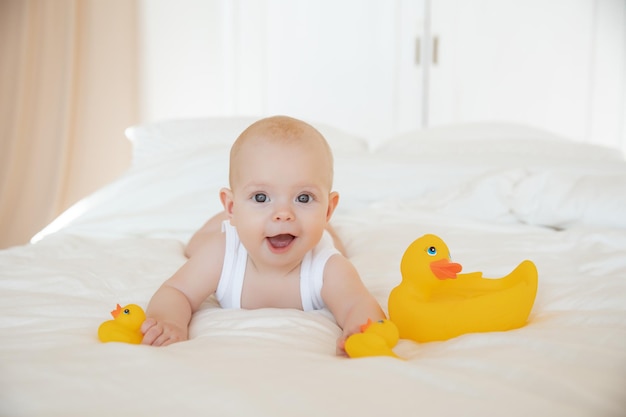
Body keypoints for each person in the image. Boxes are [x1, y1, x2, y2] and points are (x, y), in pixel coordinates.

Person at [141, 115, 385, 354]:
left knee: (335, 244)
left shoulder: (329, 267)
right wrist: (169, 320)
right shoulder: (221, 252)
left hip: (311, 233)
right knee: (195, 245)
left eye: (303, 198)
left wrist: (361, 329)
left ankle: (322, 225)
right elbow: (177, 291)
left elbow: (358, 303)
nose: (283, 213)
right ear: (231, 206)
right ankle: (234, 218)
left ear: (329, 209)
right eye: (261, 197)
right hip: (232, 229)